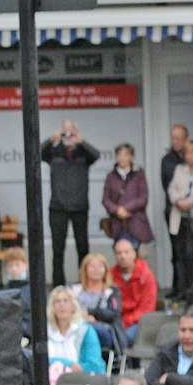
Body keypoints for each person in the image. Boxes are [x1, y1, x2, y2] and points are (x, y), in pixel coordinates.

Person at [40, 120, 99, 280]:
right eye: (65, 131)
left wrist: (81, 142)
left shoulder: (83, 153)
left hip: (79, 207)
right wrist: (51, 139)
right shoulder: (54, 152)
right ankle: (58, 286)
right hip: (58, 207)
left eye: (71, 131)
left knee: (83, 248)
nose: (68, 135)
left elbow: (96, 155)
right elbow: (37, 153)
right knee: (58, 250)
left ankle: (84, 283)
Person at [164, 132, 193, 298]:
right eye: (188, 152)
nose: (191, 155)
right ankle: (182, 290)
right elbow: (171, 188)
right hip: (180, 217)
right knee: (180, 255)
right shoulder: (179, 169)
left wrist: (190, 201)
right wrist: (178, 200)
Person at [100, 141, 152, 255]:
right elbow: (105, 199)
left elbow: (143, 197)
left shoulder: (139, 175)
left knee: (140, 260)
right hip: (118, 224)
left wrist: (126, 208)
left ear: (131, 157)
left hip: (136, 223)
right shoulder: (111, 176)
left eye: (126, 154)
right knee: (121, 257)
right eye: (120, 155)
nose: (122, 158)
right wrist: (117, 210)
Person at [109, 238, 158, 331]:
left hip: (138, 322)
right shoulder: (109, 275)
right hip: (115, 320)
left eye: (126, 252)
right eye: (118, 253)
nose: (122, 256)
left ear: (134, 254)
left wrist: (125, 322)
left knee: (125, 337)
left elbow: (147, 308)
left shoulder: (146, 276)